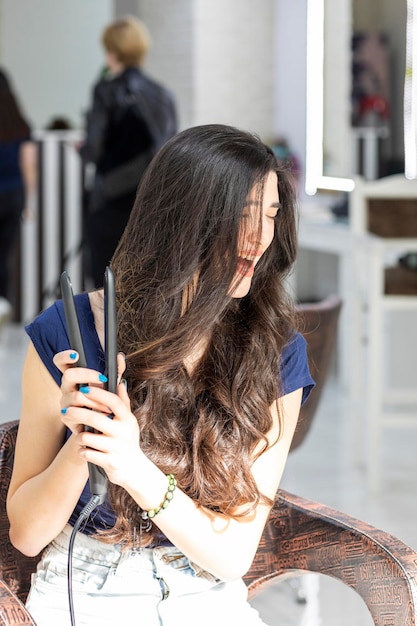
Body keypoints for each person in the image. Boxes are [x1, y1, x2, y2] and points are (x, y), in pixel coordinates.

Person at [7, 124, 315, 626]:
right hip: (85, 582)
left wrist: (134, 467)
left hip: (207, 590)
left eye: (272, 215)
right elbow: (26, 533)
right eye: (242, 217)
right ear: (184, 221)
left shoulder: (276, 353)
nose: (260, 240)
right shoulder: (70, 330)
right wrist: (87, 438)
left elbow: (233, 554)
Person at [80, 15, 178, 288]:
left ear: (112, 50)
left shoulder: (106, 90)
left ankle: (103, 333)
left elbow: (94, 149)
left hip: (110, 201)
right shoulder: (163, 94)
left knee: (104, 287)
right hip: (151, 204)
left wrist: (83, 149)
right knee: (143, 284)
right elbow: (170, 152)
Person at [0, 68, 37, 325]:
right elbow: (29, 165)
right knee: (4, 255)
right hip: (13, 196)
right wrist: (29, 202)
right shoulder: (20, 124)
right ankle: (2, 304)